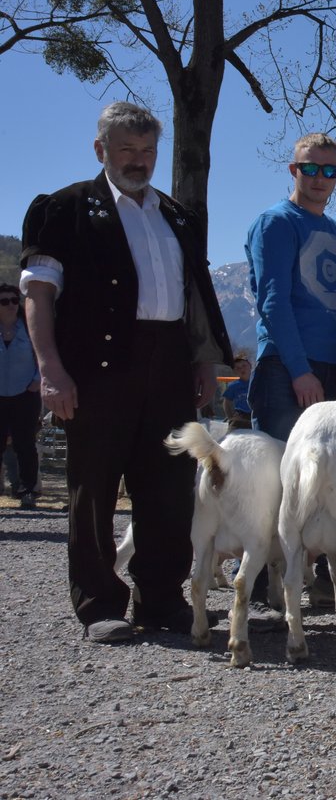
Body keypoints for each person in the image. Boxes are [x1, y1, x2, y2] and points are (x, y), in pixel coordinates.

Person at [20, 102, 233, 644]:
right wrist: (50, 369)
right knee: (93, 486)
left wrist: (204, 361)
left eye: (147, 152)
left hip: (169, 361)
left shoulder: (178, 216)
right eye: (126, 151)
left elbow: (193, 298)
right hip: (95, 366)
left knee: (169, 488)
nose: (139, 162)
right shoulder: (63, 209)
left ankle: (161, 599)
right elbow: (39, 295)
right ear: (101, 151)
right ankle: (98, 605)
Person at [245, 131, 336, 616]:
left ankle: (308, 579)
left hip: (334, 371)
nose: (319, 179)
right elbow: (272, 303)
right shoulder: (275, 223)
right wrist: (298, 369)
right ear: (293, 170)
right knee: (274, 480)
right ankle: (253, 588)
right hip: (287, 369)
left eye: (329, 170)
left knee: (324, 482)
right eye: (310, 169)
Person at [0, 285, 42, 510]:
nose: (10, 306)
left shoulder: (29, 327)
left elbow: (43, 352)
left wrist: (38, 380)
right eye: (4, 301)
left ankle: (27, 490)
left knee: (24, 444)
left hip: (25, 394)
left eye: (14, 301)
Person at [221, 354, 253, 429]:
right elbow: (226, 402)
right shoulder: (233, 386)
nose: (242, 369)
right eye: (237, 368)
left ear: (250, 366)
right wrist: (230, 417)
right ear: (234, 371)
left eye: (244, 365)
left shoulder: (257, 382)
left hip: (256, 414)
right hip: (241, 415)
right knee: (234, 427)